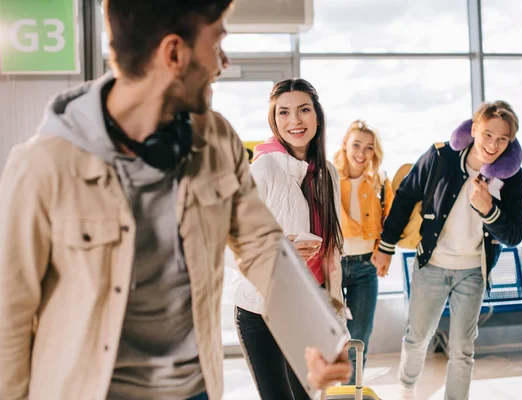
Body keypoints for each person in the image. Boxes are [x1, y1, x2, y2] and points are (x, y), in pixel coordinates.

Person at [0, 2, 351, 399]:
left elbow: (262, 247)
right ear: (174, 53)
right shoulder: (41, 167)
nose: (223, 60)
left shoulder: (216, 140)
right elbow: (10, 317)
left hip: (195, 389)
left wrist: (316, 333)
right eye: (217, 42)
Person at [372, 101, 522, 400]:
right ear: (474, 130)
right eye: (487, 134)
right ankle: (406, 387)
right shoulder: (440, 157)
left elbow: (514, 235)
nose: (493, 144)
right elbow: (405, 197)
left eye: (502, 139)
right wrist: (386, 247)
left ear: (510, 141)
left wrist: (489, 210)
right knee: (417, 339)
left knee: (463, 350)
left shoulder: (513, 179)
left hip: (473, 272)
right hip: (432, 265)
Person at [230, 78, 345, 400]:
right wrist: (280, 250)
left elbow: (333, 249)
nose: (294, 121)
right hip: (261, 309)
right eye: (284, 113)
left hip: (309, 307)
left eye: (303, 110)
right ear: (274, 119)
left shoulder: (328, 173)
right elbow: (228, 240)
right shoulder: (263, 168)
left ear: (317, 116)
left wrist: (335, 310)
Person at [332, 120, 393, 384]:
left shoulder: (380, 181)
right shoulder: (327, 176)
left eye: (368, 148)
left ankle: (351, 394)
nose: (361, 152)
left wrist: (384, 254)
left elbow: (390, 222)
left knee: (357, 340)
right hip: (331, 264)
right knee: (327, 338)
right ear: (345, 144)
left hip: (365, 267)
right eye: (356, 144)